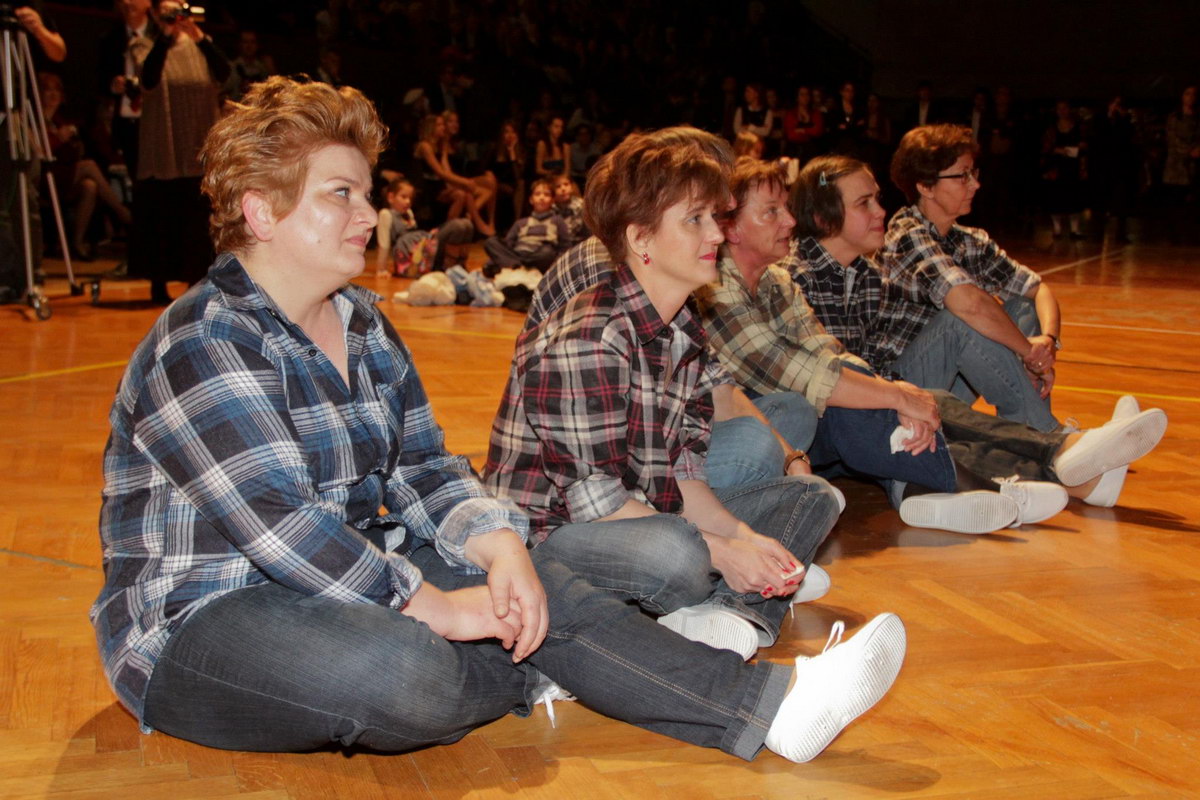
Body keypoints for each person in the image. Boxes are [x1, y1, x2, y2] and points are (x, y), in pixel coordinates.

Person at [91, 76, 906, 766]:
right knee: (403, 670)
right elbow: (282, 529)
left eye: (367, 193)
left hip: (357, 569)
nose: (367, 213)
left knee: (537, 587)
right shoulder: (203, 341)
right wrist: (443, 607)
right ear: (261, 213)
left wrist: (500, 546)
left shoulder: (363, 322)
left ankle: (771, 707)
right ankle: (564, 664)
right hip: (200, 619)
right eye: (340, 194)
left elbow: (425, 468)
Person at [484, 133, 844, 662]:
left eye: (713, 218)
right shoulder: (589, 338)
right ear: (641, 239)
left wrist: (742, 537)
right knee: (677, 552)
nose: (716, 234)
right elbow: (596, 505)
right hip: (553, 536)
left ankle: (726, 613)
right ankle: (719, 599)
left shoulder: (680, 326)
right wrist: (722, 551)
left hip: (643, 509)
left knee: (813, 496)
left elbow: (684, 472)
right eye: (695, 220)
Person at [779, 156, 1168, 515]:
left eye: (877, 199)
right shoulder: (797, 278)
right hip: (833, 422)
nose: (881, 211)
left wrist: (1045, 342)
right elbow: (830, 380)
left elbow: (1033, 288)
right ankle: (1062, 449)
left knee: (940, 399)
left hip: (873, 393)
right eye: (864, 203)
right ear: (825, 218)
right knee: (939, 384)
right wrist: (900, 397)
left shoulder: (863, 273)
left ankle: (1079, 471)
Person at [880, 124, 1065, 430]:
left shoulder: (969, 241)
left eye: (973, 173)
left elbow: (1038, 289)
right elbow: (969, 304)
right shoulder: (906, 234)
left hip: (948, 380)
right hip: (903, 386)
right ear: (925, 186)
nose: (975, 184)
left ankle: (1030, 434)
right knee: (959, 320)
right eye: (962, 176)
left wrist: (1048, 343)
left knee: (1022, 306)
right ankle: (1051, 437)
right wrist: (1028, 352)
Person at [131, 0, 229, 304]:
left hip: (198, 143)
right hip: (164, 147)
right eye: (167, 12)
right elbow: (148, 78)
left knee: (197, 219)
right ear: (155, 14)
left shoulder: (201, 45)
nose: (175, 17)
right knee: (162, 215)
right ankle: (158, 283)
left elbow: (224, 73)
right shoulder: (144, 45)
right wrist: (165, 36)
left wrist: (198, 37)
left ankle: (196, 283)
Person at [38, 72, 133, 261]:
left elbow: (71, 154)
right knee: (88, 166)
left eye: (57, 90)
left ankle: (77, 243)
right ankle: (124, 214)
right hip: (44, 175)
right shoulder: (35, 119)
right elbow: (40, 152)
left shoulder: (61, 119)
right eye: (48, 90)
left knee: (90, 186)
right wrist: (59, 138)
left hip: (63, 175)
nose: (53, 94)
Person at [374, 178, 473, 275]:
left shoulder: (408, 212)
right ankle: (447, 268)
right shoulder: (385, 214)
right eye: (403, 197)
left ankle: (458, 266)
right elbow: (384, 244)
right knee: (457, 226)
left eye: (410, 198)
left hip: (423, 247)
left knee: (467, 224)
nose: (408, 202)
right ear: (391, 197)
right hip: (410, 253)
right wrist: (381, 269)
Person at [482, 179, 570, 274]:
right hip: (518, 254)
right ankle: (517, 266)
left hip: (540, 257)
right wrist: (494, 258)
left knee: (547, 252)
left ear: (552, 200)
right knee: (490, 242)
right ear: (531, 200)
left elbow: (565, 247)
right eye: (537, 194)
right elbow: (508, 243)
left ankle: (514, 267)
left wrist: (557, 265)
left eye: (546, 195)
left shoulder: (558, 221)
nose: (542, 198)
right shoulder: (521, 223)